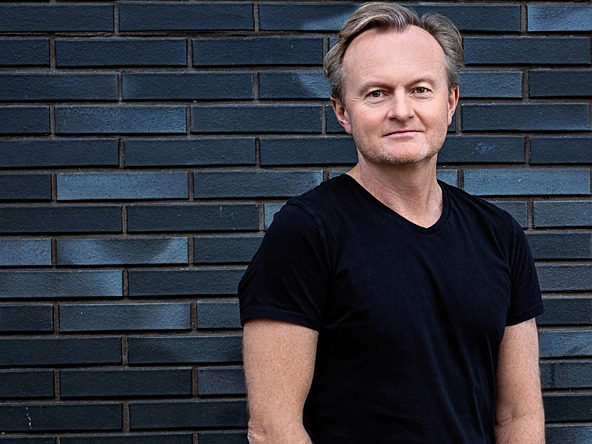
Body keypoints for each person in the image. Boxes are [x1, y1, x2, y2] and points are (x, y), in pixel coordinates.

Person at [238, 2, 545, 443]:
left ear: (450, 101)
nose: (401, 110)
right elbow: (273, 428)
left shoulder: (499, 235)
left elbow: (519, 416)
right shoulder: (307, 232)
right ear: (343, 111)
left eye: (420, 89)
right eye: (376, 93)